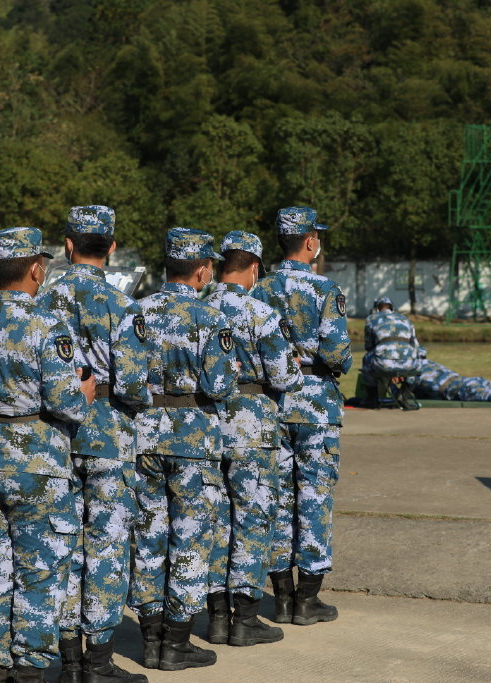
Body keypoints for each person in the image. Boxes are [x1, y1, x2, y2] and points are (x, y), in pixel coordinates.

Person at [0, 227, 94, 683]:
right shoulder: (47, 325)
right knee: (39, 575)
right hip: (38, 464)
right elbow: (64, 401)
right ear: (38, 270)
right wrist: (86, 392)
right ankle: (29, 672)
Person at [38, 206, 150, 683]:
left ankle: (68, 660)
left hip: (56, 434)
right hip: (108, 435)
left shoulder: (42, 299)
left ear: (67, 245)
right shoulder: (123, 306)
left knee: (63, 544)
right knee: (105, 546)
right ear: (112, 246)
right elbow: (134, 385)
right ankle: (98, 664)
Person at [128, 228, 236, 672]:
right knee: (191, 539)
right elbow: (221, 385)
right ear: (202, 270)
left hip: (144, 434)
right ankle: (176, 642)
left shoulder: (137, 311)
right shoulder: (210, 317)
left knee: (149, 535)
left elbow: (127, 379)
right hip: (193, 437)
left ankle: (149, 637)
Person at [251, 208, 352, 626]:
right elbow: (337, 353)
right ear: (310, 242)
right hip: (316, 403)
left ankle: (282, 597)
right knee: (314, 495)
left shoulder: (259, 290)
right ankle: (308, 600)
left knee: (277, 498)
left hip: (273, 403)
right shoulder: (326, 288)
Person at [203, 231, 303, 647]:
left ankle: (216, 618)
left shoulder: (199, 307)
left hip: (206, 423)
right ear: (256, 267)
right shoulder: (260, 312)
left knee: (214, 518)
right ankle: (244, 616)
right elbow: (283, 376)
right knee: (252, 515)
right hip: (251, 425)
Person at [363, 297, 491, 409]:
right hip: (452, 377)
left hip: (451, 387)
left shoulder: (373, 322)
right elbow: (416, 352)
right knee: (490, 386)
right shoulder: (412, 345)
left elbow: (374, 353)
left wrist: (397, 387)